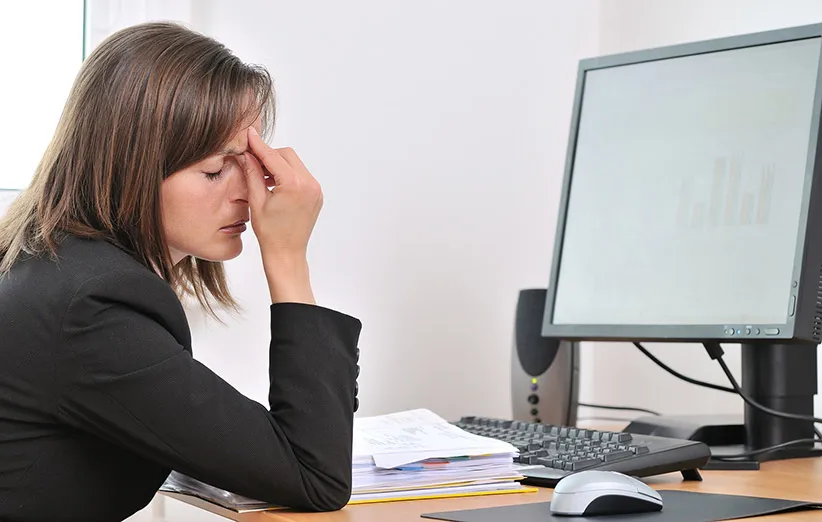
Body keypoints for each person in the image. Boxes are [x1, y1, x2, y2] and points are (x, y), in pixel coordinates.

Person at [0, 21, 361, 522]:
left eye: (249, 162)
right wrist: (287, 257)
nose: (249, 192)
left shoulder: (53, 268)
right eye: (215, 169)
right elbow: (314, 476)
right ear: (129, 168)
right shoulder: (90, 308)